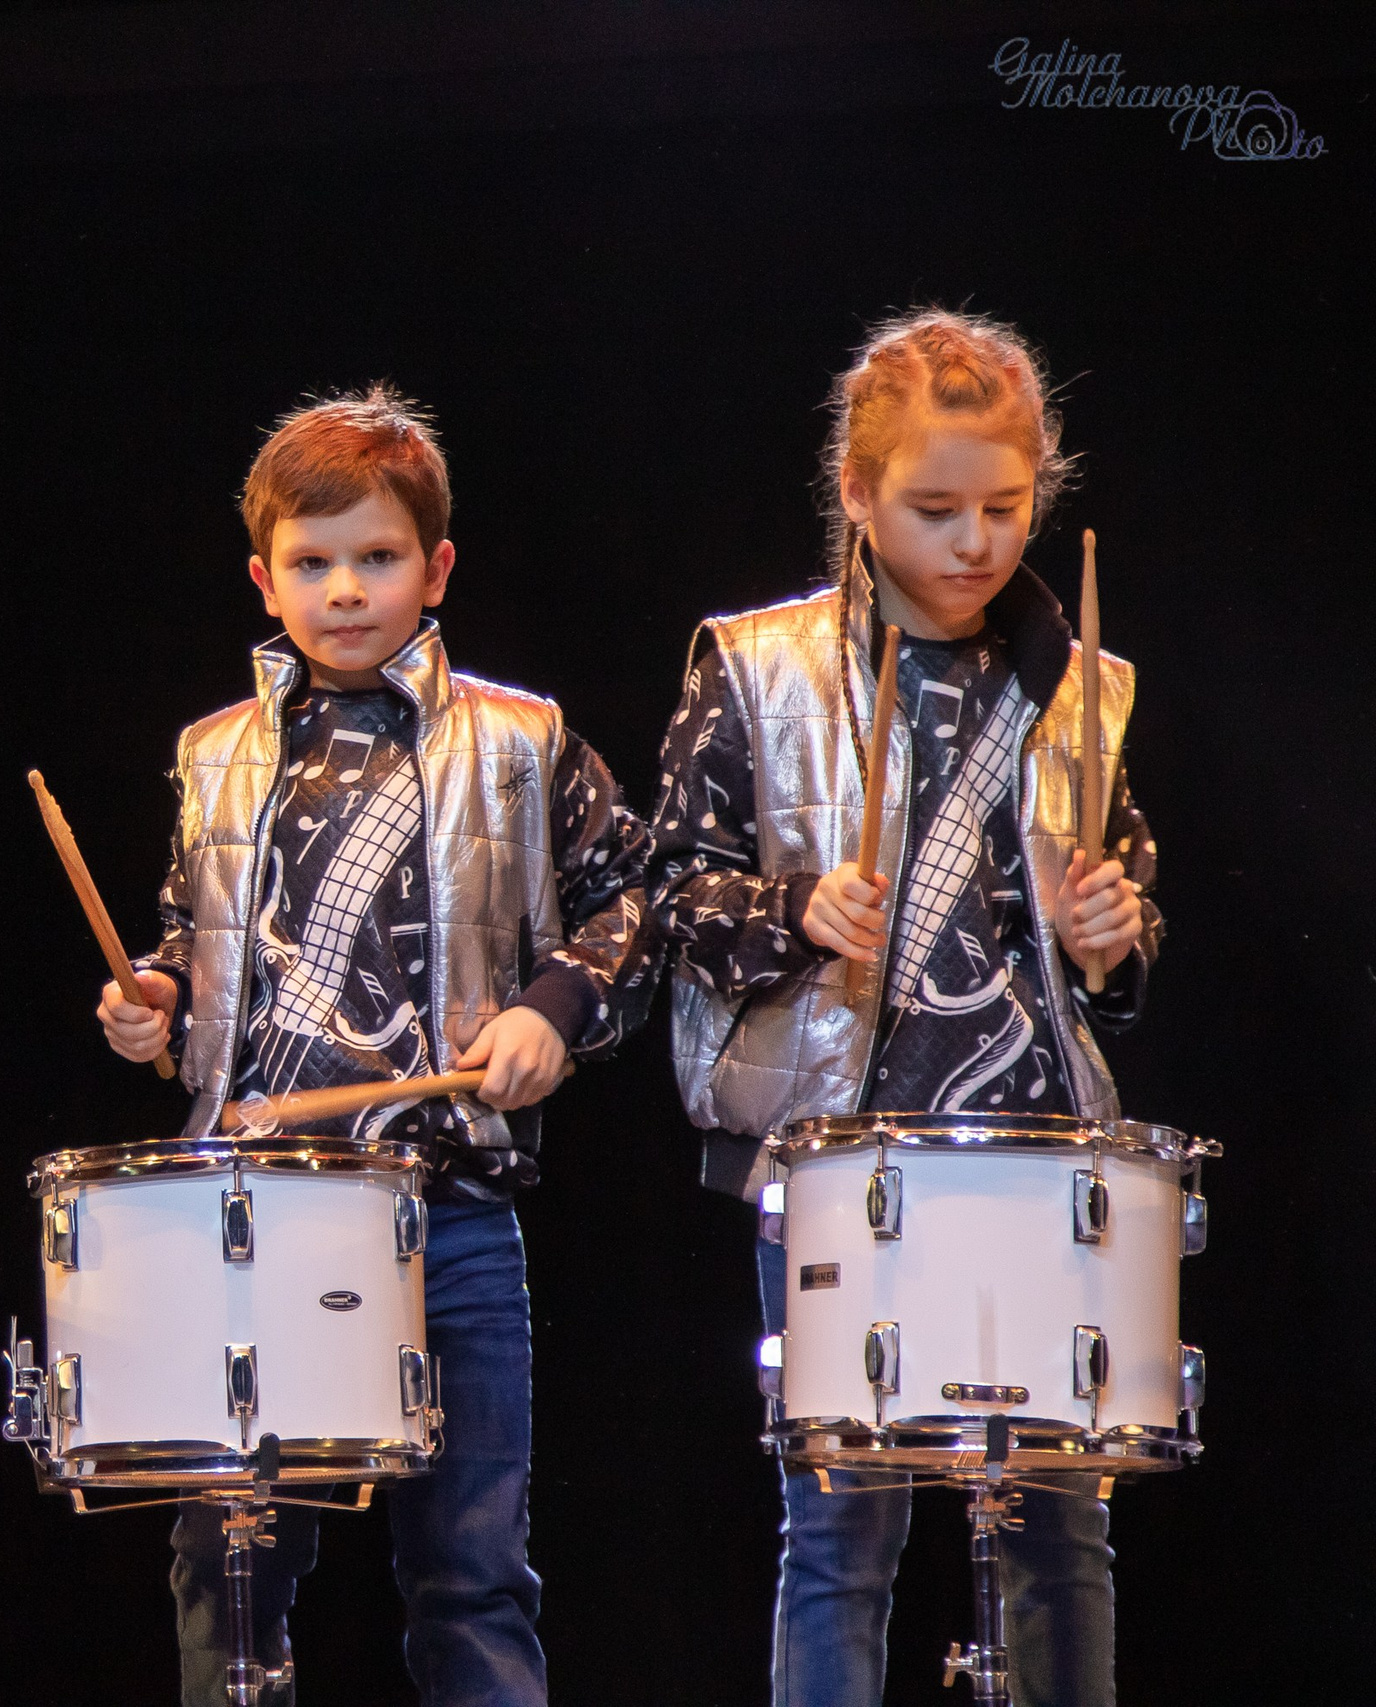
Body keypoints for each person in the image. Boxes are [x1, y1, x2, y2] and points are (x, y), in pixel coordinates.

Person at [95, 386, 659, 1707]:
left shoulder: (521, 742)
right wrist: (154, 997)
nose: (345, 589)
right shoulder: (214, 755)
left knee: (474, 1572)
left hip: (450, 1212)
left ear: (437, 567)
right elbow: (188, 930)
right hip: (253, 1212)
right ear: (264, 579)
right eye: (312, 563)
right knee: (231, 1560)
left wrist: (552, 1009)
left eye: (378, 557)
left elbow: (639, 900)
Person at [647, 311, 1159, 1707]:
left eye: (1005, 506)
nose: (976, 542)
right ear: (858, 494)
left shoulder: (1083, 685)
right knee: (840, 1534)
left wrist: (1113, 935)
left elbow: (1125, 922)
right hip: (837, 1157)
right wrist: (794, 907)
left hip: (1041, 1151)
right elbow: (669, 893)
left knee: (1060, 1532)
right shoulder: (753, 665)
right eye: (936, 510)